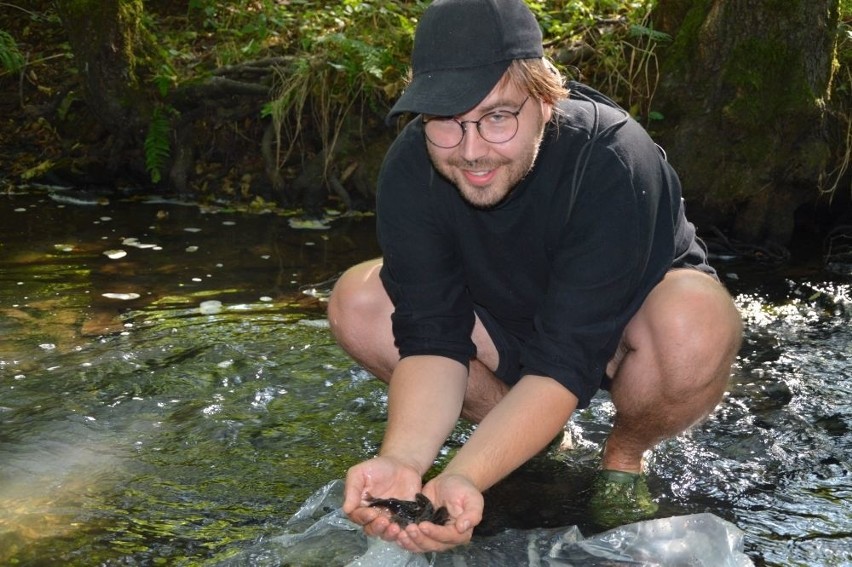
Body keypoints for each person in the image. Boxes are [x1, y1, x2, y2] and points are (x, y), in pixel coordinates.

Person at [327, 0, 743, 554]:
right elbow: (432, 338)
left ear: (545, 101)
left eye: (498, 117)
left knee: (696, 318)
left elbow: (568, 357)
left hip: (626, 329)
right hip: (505, 323)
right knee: (358, 299)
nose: (471, 151)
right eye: (445, 124)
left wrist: (469, 475)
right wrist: (407, 461)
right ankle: (532, 436)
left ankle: (622, 458)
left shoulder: (612, 158)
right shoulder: (410, 169)